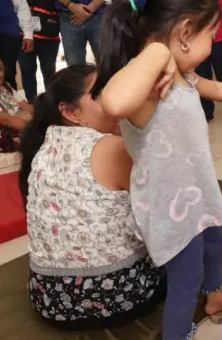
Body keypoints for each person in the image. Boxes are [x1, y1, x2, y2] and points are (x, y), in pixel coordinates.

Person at [91, 0, 222, 340]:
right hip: (169, 206)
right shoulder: (148, 81)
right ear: (186, 32)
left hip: (195, 193)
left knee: (215, 241)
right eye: (212, 33)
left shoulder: (181, 75)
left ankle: (216, 296)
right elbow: (112, 103)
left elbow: (215, 88)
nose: (213, 41)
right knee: (185, 280)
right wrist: (158, 51)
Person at [19, 64, 164, 329]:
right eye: (100, 94)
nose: (114, 100)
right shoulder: (112, 148)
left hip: (47, 297)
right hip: (112, 297)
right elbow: (160, 221)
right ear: (70, 112)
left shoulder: (42, 144)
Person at [17, 0, 61, 103]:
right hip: (25, 37)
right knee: (28, 71)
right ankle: (33, 103)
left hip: (49, 37)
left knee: (49, 70)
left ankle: (51, 103)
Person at [0, 0, 34, 89]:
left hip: (7, 34)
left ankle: (12, 108)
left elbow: (21, 5)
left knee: (7, 76)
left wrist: (28, 35)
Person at [0, 59, 33, 151]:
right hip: (9, 135)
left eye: (0, 70)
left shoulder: (5, 86)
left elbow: (27, 106)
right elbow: (8, 121)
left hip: (24, 127)